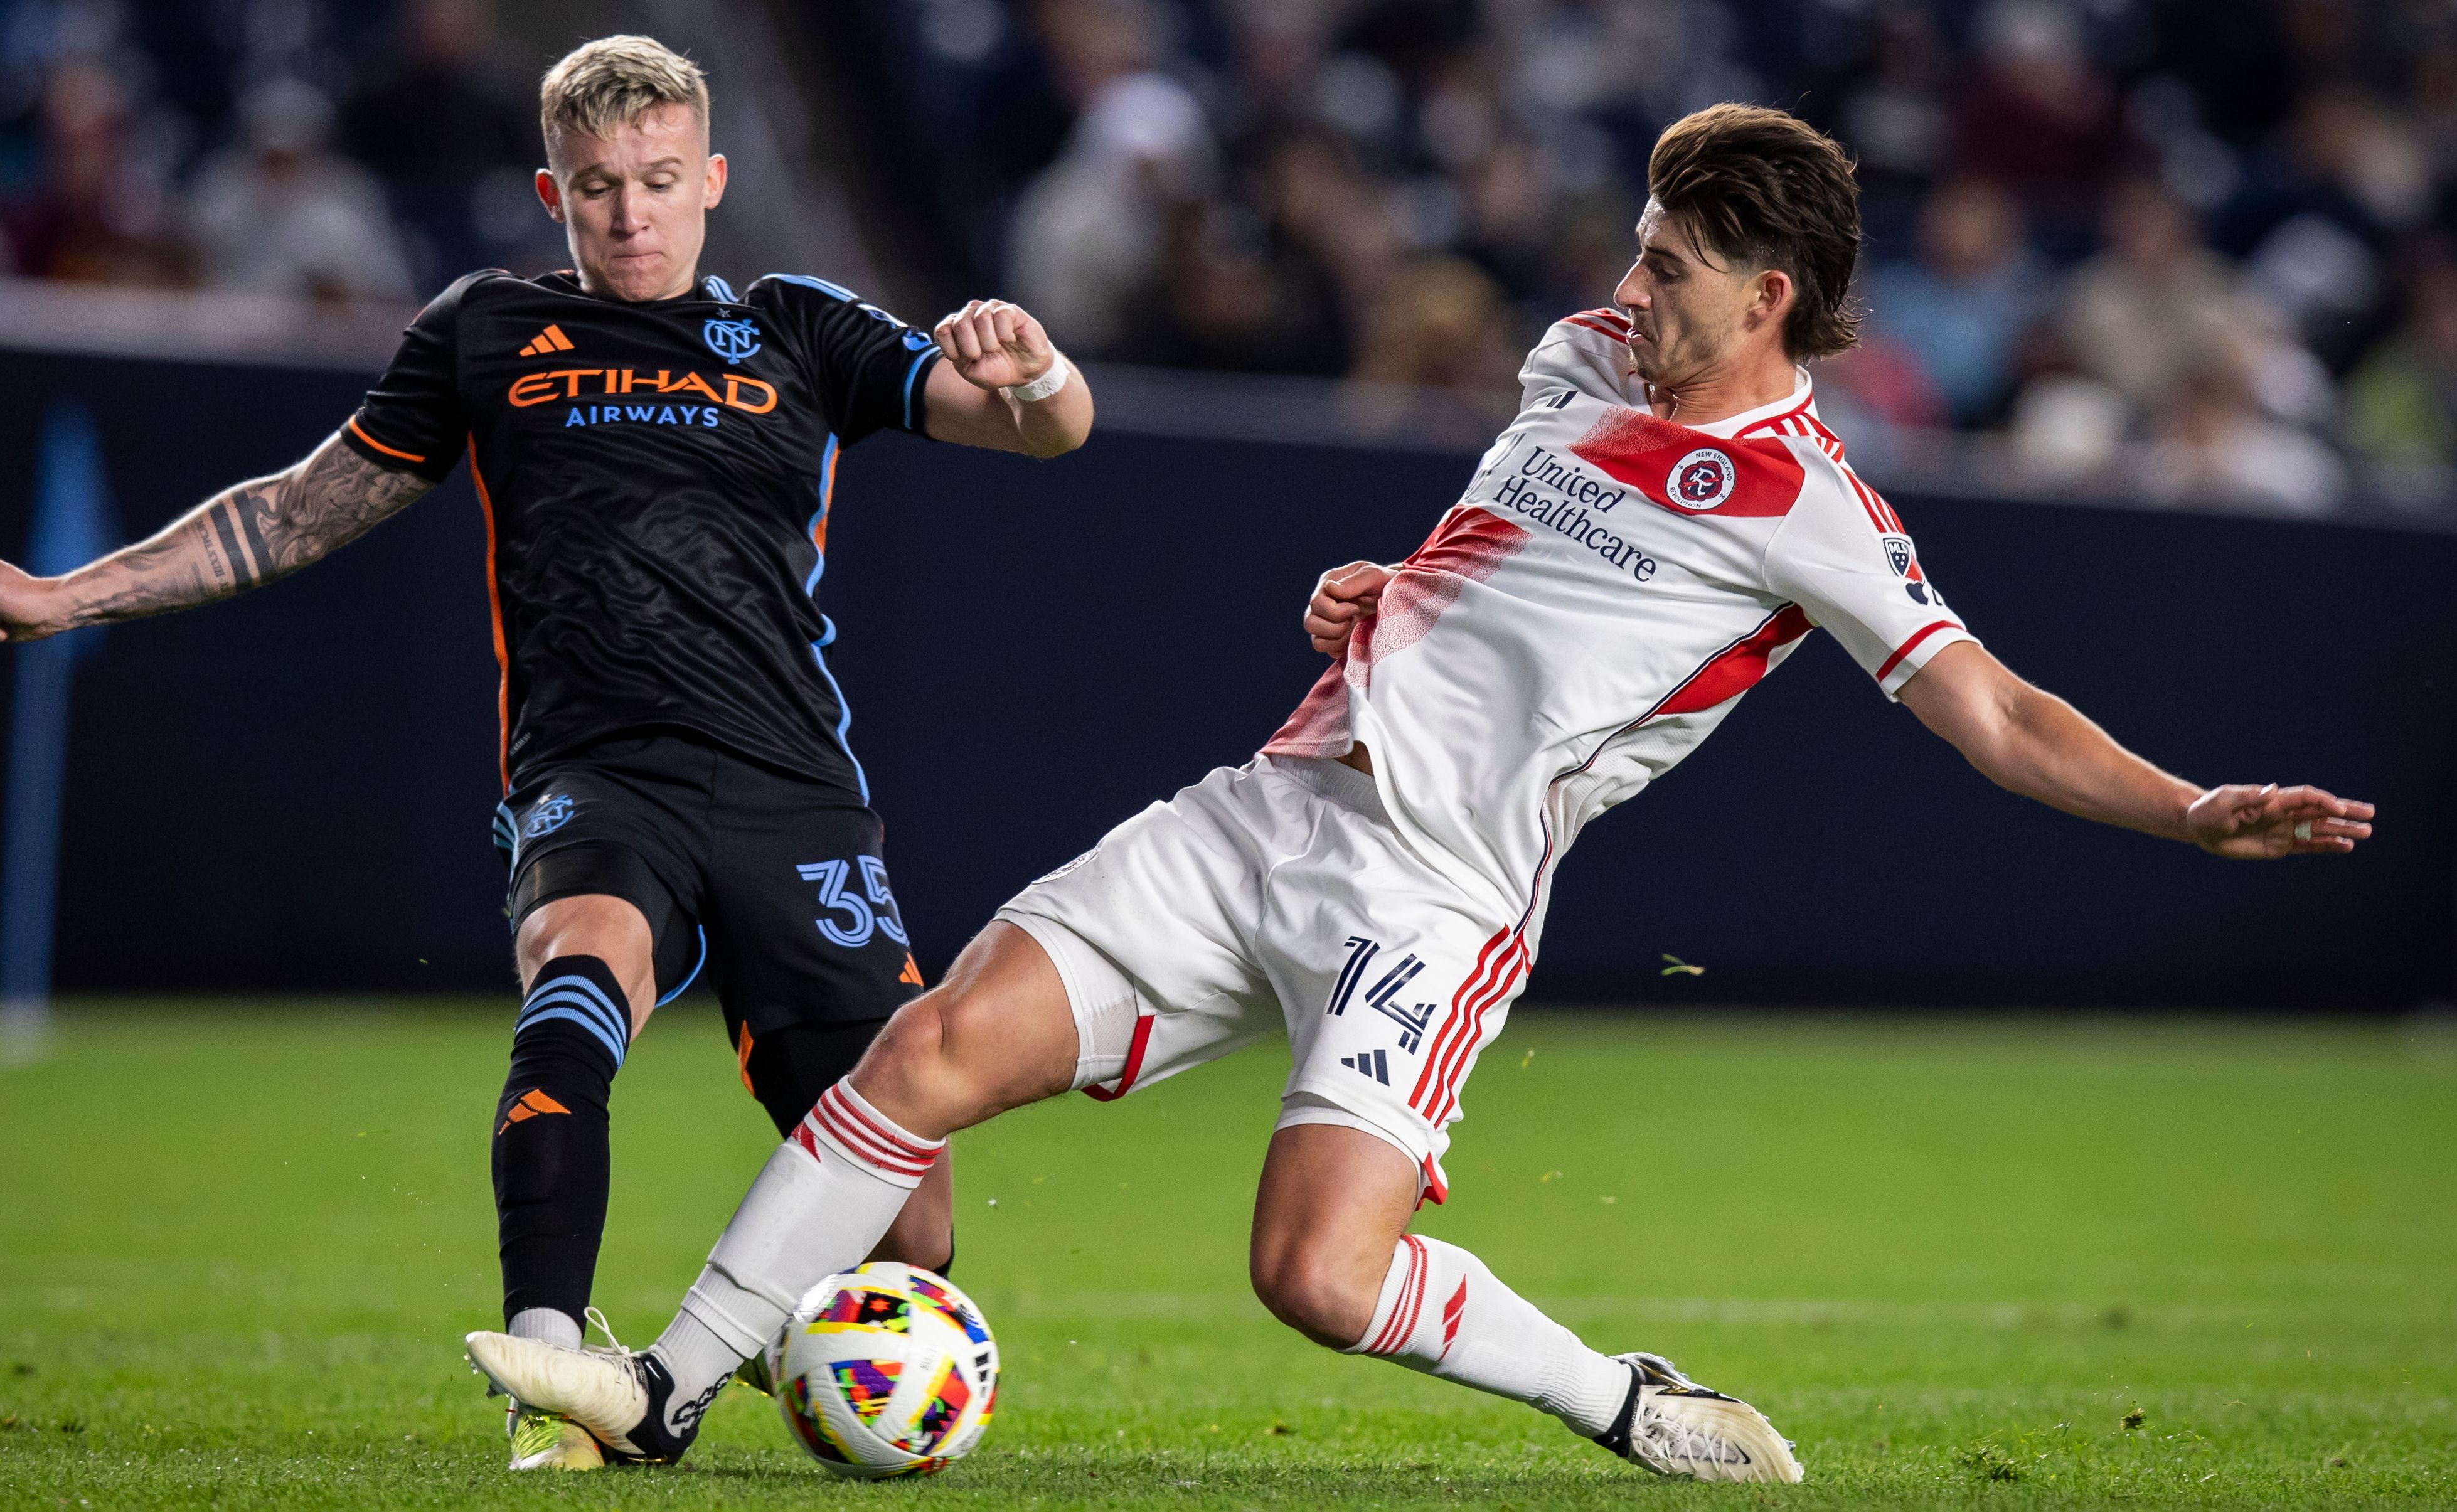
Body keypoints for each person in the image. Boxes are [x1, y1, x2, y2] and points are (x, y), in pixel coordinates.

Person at [462, 104, 2375, 1482]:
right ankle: (668, 1392)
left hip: (1429, 900)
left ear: (1768, 298)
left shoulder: (1814, 510)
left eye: (1669, 267)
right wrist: (1371, 593)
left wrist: (2184, 804)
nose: (1622, 285)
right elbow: (1486, 563)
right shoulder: (1567, 362)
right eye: (1634, 247)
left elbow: (1995, 712)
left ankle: (1621, 1401)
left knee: (1309, 1271)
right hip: (1275, 803)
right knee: (924, 1049)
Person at [0, 35, 1095, 1471]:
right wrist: (70, 593)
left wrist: (1036, 373)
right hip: (595, 770)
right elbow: (295, 509)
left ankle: (754, 1364)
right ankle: (553, 1368)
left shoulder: (798, 328)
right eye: (598, 187)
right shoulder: (487, 332)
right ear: (554, 192)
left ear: (714, 179)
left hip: (796, 792)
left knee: (911, 1224)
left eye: (661, 181)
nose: (631, 213)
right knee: (578, 968)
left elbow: (1044, 433)